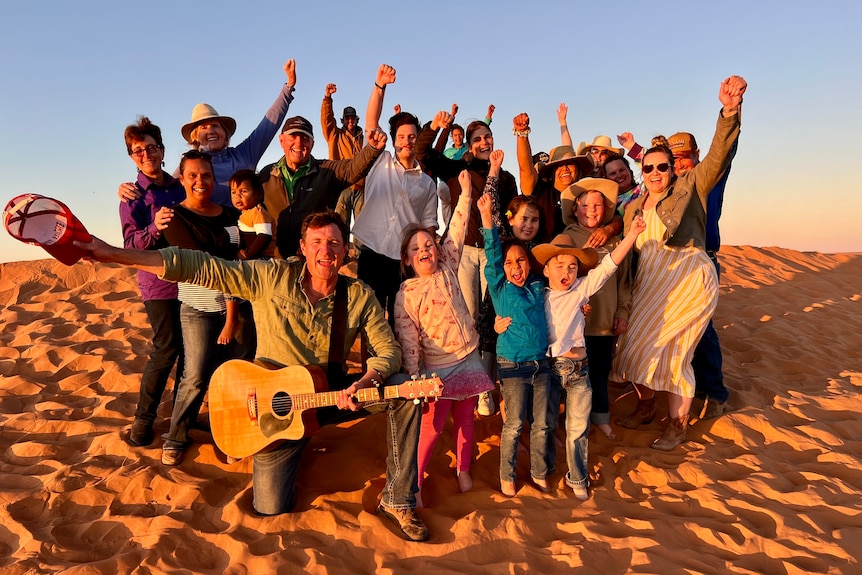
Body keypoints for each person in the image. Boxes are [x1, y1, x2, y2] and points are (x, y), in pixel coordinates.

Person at [75, 210, 429, 542]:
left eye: (334, 243)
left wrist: (366, 381)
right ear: (302, 247)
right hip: (270, 412)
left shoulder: (358, 297)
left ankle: (398, 498)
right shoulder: (270, 277)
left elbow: (389, 351)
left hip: (329, 398)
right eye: (317, 242)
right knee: (271, 507)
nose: (326, 251)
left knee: (405, 391)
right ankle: (223, 429)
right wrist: (117, 255)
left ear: (346, 250)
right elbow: (204, 268)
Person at [610, 75, 746, 451]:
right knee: (635, 348)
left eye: (662, 168)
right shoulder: (635, 204)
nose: (655, 173)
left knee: (676, 353)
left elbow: (721, 153)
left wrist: (730, 111)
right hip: (650, 281)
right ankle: (646, 406)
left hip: (685, 276)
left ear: (674, 169)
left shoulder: (690, 189)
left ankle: (677, 425)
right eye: (649, 168)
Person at [394, 170, 495, 506]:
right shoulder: (406, 294)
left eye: (429, 244)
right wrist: (415, 375)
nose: (425, 250)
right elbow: (409, 341)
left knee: (467, 421)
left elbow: (456, 228)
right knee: (432, 429)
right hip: (434, 372)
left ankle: (463, 469)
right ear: (407, 260)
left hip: (467, 359)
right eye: (416, 248)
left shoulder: (449, 265)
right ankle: (417, 481)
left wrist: (465, 193)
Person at [533, 214, 645, 499]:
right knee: (545, 425)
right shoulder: (537, 298)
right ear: (546, 270)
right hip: (550, 369)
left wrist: (631, 234)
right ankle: (542, 470)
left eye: (572, 267)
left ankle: (578, 476)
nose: (567, 272)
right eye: (559, 265)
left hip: (579, 370)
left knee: (577, 428)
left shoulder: (581, 290)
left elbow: (609, 266)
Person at [159, 150, 255, 467]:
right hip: (197, 307)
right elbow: (201, 261)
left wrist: (235, 255)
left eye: (206, 175)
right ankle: (176, 436)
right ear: (182, 178)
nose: (200, 181)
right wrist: (231, 255)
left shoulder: (229, 215)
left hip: (237, 307)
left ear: (214, 179)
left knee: (234, 376)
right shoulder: (174, 217)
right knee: (195, 376)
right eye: (193, 175)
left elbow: (245, 252)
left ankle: (229, 434)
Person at [117, 60, 297, 208]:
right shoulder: (190, 166)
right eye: (203, 128)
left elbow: (268, 124)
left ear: (225, 133)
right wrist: (129, 189)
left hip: (250, 232)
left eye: (215, 126)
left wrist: (288, 88)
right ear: (195, 137)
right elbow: (161, 185)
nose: (210, 131)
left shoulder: (244, 154)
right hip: (212, 237)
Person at [351, 64, 438, 325]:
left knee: (401, 321)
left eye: (412, 136)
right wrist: (380, 86)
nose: (407, 141)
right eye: (401, 136)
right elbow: (370, 123)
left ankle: (400, 366)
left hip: (403, 260)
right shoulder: (380, 161)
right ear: (394, 139)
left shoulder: (427, 184)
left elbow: (430, 226)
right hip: (372, 251)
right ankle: (371, 365)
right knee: (369, 318)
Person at [478, 187, 550, 497]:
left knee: (543, 424)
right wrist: (485, 216)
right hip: (512, 364)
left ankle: (540, 472)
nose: (516, 267)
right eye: (510, 264)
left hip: (542, 363)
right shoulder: (499, 286)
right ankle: (507, 475)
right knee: (514, 423)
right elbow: (494, 253)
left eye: (521, 262)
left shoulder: (537, 283)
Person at [119, 116, 186, 447]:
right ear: (132, 156)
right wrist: (155, 227)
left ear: (162, 150)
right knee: (166, 348)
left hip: (193, 280)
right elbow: (130, 247)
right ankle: (143, 420)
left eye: (151, 147)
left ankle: (181, 420)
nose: (146, 154)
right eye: (138, 150)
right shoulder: (131, 197)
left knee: (192, 353)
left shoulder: (181, 186)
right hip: (158, 284)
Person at [415, 110, 518, 323]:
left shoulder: (506, 178)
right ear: (470, 146)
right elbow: (422, 152)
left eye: (487, 137)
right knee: (468, 312)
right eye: (477, 139)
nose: (484, 142)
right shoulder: (456, 170)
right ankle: (471, 357)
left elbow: (511, 217)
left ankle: (492, 358)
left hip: (493, 251)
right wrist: (434, 127)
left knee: (494, 313)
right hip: (464, 251)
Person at [667, 130, 737, 418]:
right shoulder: (673, 186)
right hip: (675, 265)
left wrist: (732, 110)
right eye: (675, 159)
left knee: (702, 329)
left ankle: (716, 394)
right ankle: (696, 389)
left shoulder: (710, 180)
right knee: (682, 330)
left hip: (701, 261)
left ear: (697, 155)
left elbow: (725, 153)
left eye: (685, 157)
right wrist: (633, 148)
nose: (681, 164)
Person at [559, 178, 633, 440]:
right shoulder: (567, 237)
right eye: (585, 204)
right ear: (575, 208)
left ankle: (600, 416)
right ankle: (571, 419)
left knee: (600, 371)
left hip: (604, 321)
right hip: (574, 323)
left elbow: (625, 282)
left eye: (598, 205)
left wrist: (622, 312)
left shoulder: (614, 242)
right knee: (572, 374)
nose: (591, 210)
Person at [259, 116, 386, 258]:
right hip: (272, 263)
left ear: (312, 144)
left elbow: (352, 168)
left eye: (305, 138)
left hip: (312, 262)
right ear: (281, 140)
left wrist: (372, 148)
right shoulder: (266, 175)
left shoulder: (327, 172)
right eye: (293, 136)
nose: (299, 142)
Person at [513, 112, 596, 243]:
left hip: (577, 260)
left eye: (570, 164)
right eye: (559, 165)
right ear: (552, 171)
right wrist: (522, 134)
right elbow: (525, 167)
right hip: (542, 260)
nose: (565, 169)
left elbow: (614, 216)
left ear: (578, 169)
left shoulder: (587, 193)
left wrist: (608, 230)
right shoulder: (540, 191)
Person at [321, 81, 365, 229]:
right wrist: (328, 98)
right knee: (340, 226)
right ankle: (342, 252)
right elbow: (326, 121)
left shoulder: (363, 138)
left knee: (362, 228)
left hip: (361, 188)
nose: (350, 120)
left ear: (356, 119)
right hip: (342, 187)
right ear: (343, 120)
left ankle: (361, 253)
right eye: (347, 118)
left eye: (353, 118)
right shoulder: (335, 135)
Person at [229, 169, 276, 260]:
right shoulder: (244, 214)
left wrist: (247, 253)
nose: (237, 196)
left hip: (261, 259)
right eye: (233, 192)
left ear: (257, 194)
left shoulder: (258, 213)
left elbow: (265, 236)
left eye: (243, 191)